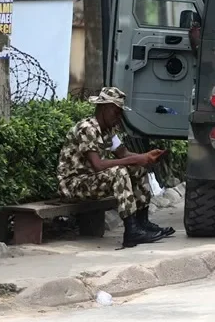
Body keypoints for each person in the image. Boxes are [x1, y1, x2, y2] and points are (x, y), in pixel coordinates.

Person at [57, 87, 175, 248]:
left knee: (138, 169)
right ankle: (131, 232)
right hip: (74, 185)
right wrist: (138, 158)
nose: (118, 117)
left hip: (91, 181)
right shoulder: (87, 129)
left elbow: (123, 153)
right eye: (116, 112)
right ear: (104, 108)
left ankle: (142, 223)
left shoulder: (108, 130)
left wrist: (146, 158)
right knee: (119, 172)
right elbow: (98, 165)